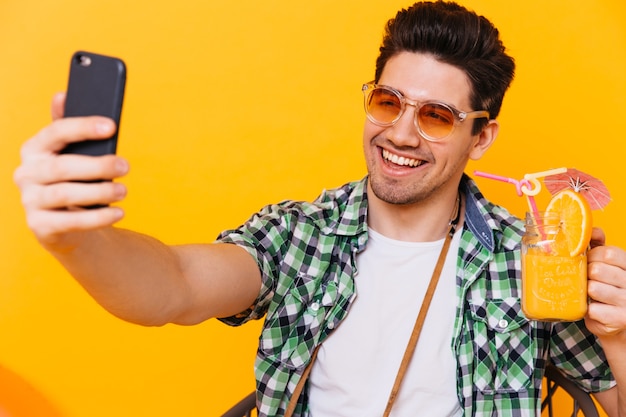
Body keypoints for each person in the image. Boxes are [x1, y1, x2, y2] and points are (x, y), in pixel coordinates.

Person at [13, 1, 626, 416]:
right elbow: (173, 287)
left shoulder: (537, 257)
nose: (403, 135)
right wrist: (78, 239)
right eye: (389, 102)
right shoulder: (302, 235)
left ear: (481, 138)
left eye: (437, 116)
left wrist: (620, 335)